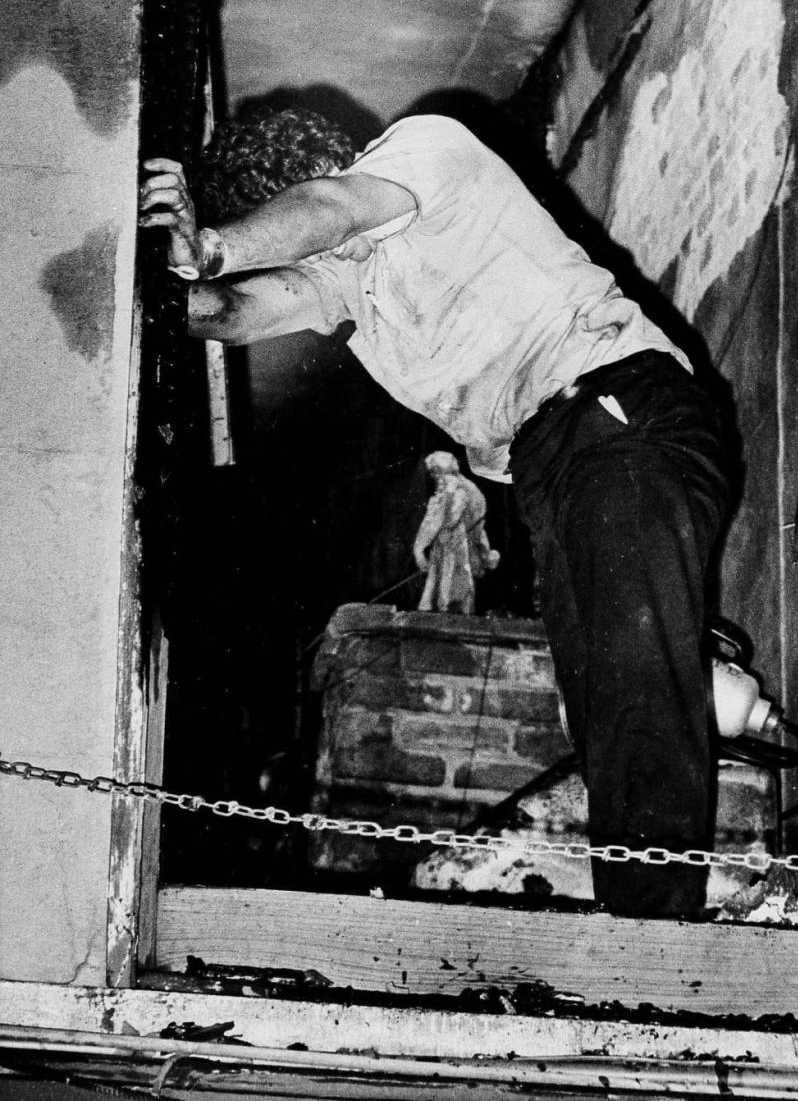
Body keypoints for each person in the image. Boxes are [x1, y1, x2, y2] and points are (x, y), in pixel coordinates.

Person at [140, 107, 730, 917]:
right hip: (551, 464)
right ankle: (642, 918)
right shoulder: (356, 278)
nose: (331, 263)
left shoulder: (424, 152)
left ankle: (660, 940)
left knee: (636, 685)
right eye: (318, 258)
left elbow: (334, 210)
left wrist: (216, 245)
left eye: (316, 244)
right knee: (598, 707)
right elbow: (237, 311)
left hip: (615, 411)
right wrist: (167, 278)